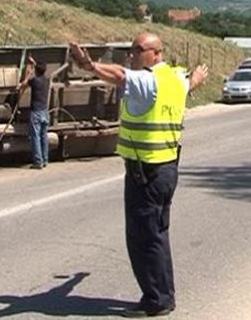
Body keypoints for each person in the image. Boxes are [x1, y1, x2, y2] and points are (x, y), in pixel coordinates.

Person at [69, 33, 208, 318]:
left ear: (156, 53)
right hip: (166, 170)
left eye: (137, 49)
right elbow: (188, 85)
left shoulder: (148, 81)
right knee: (157, 235)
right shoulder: (174, 79)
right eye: (131, 49)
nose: (131, 54)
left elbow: (120, 76)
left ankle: (157, 300)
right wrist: (196, 78)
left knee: (143, 237)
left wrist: (90, 66)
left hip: (145, 172)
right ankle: (163, 295)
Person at [17, 57, 50, 169]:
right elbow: (40, 69)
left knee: (35, 137)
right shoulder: (46, 80)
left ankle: (37, 161)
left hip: (35, 112)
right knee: (43, 136)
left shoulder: (34, 80)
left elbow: (23, 84)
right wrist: (34, 63)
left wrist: (28, 73)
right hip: (45, 112)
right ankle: (45, 159)